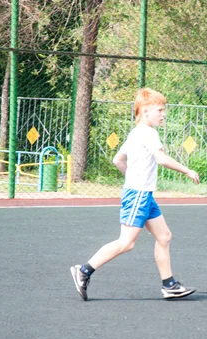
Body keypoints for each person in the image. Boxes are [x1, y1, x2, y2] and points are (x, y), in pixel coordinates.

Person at [71, 88, 200, 300]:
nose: (163, 114)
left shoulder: (135, 133)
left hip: (143, 194)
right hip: (138, 194)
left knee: (164, 236)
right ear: (145, 111)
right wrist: (187, 170)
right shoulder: (148, 133)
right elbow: (162, 159)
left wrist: (132, 178)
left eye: (163, 110)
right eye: (160, 109)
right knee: (127, 242)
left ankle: (169, 285)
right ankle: (83, 270)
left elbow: (117, 160)